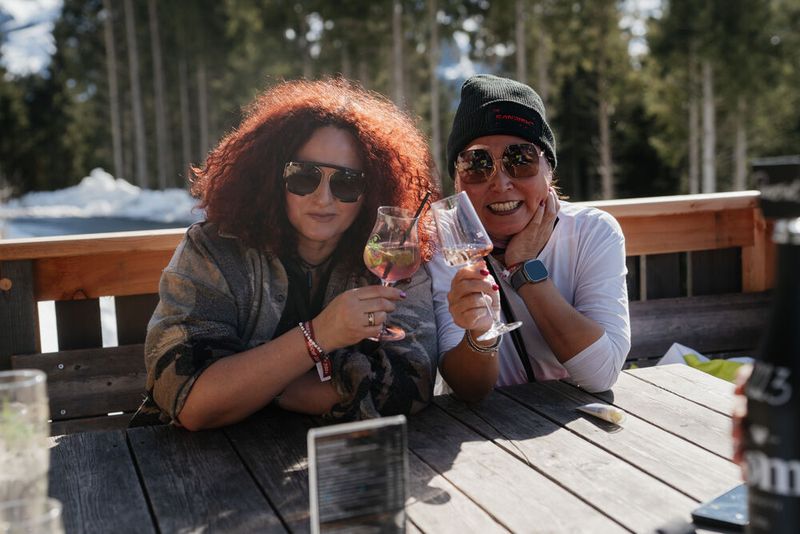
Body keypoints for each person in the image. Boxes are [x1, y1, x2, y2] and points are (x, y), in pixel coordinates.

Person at [132, 78, 439, 430]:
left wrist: (266, 389)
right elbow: (192, 401)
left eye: (347, 182)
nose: (323, 198)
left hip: (340, 463)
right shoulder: (215, 250)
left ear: (371, 192)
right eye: (304, 176)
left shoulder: (392, 254)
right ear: (272, 177)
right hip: (191, 468)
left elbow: (410, 388)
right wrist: (319, 335)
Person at [430, 74, 631, 401]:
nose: (500, 183)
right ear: (457, 180)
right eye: (477, 164)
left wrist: (525, 269)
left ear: (548, 170)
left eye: (520, 159)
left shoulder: (592, 232)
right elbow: (470, 392)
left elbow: (600, 374)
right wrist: (478, 335)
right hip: (487, 435)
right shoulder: (442, 242)